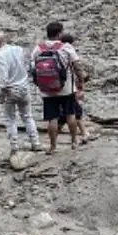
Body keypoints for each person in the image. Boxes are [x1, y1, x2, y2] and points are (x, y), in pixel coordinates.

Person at [31, 21, 85, 154]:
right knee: (70, 115)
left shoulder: (38, 48)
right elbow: (77, 66)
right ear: (59, 33)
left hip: (47, 89)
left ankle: (53, 146)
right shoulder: (66, 47)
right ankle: (74, 142)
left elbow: (33, 68)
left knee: (52, 118)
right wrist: (81, 80)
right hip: (66, 88)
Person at [0, 31, 40, 151]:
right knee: (27, 117)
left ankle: (14, 145)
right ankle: (35, 142)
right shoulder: (18, 49)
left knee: (10, 119)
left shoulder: (0, 56)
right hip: (24, 87)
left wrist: (1, 96)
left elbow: (3, 80)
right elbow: (27, 64)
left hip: (11, 91)